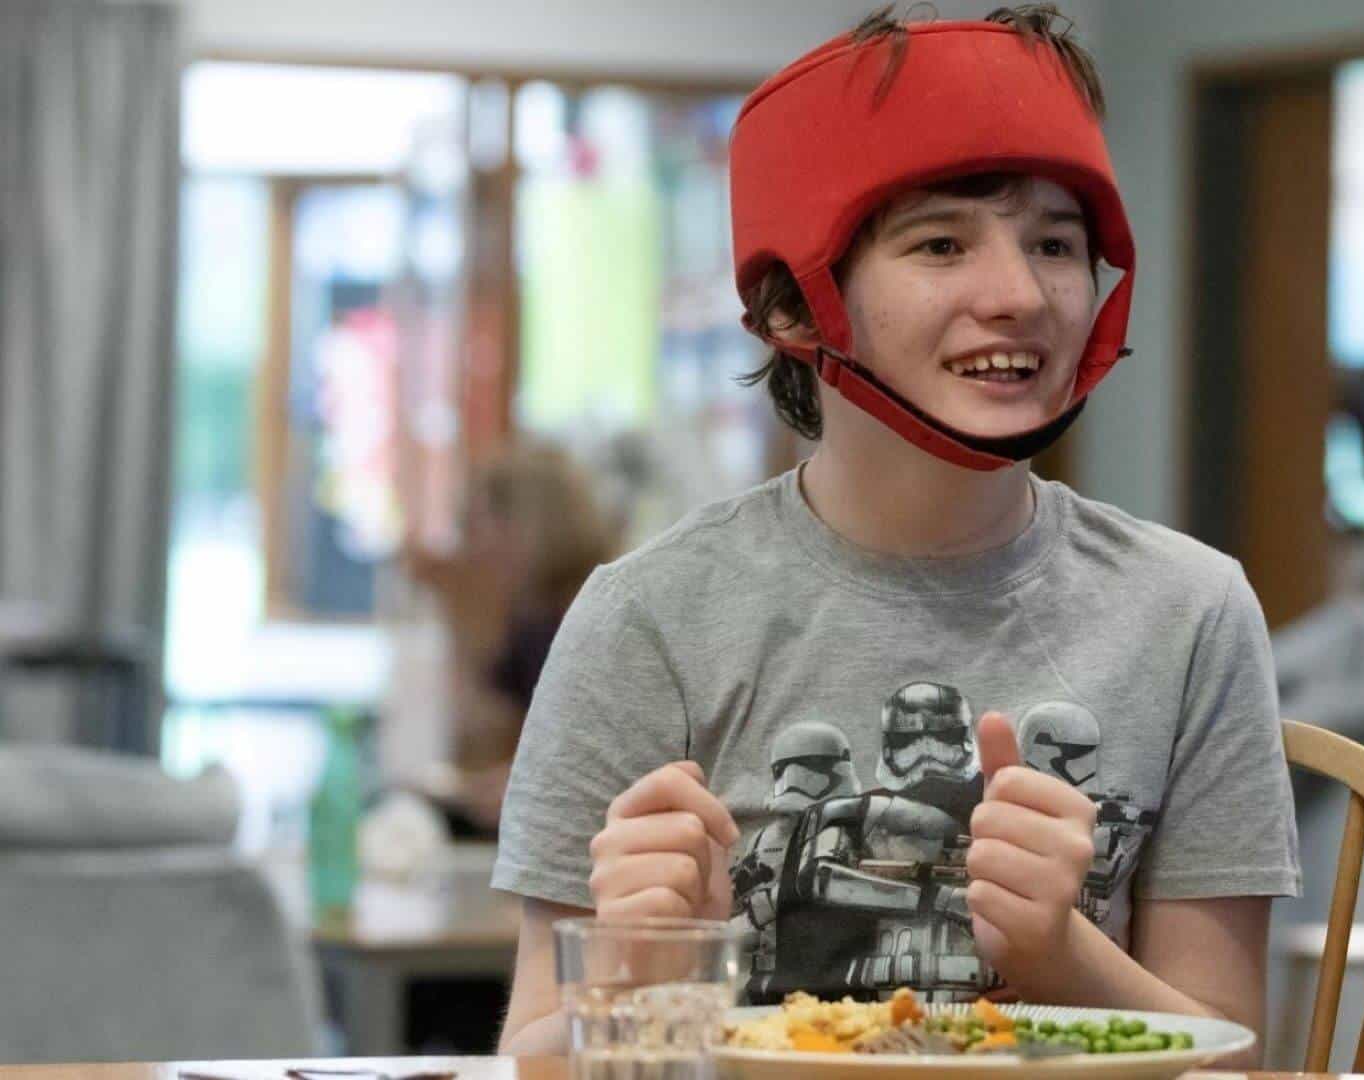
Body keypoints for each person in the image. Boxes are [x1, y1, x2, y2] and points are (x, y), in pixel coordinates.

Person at [493, 6, 1300, 1065]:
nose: (1019, 296)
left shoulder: (1190, 613)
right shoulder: (650, 619)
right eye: (940, 245)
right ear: (793, 304)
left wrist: (1060, 952)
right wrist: (641, 977)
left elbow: (1234, 1065)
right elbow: (528, 1057)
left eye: (1056, 244)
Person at [406, 441, 618, 834]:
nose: (472, 547)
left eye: (477, 524)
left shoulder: (585, 625)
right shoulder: (531, 623)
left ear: (523, 527)